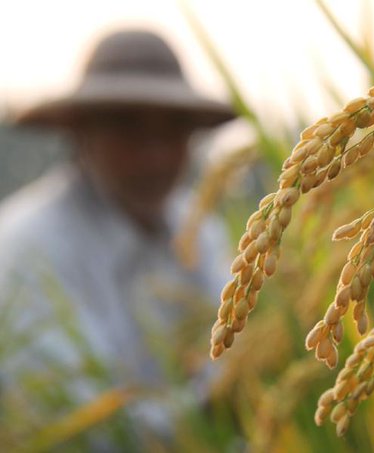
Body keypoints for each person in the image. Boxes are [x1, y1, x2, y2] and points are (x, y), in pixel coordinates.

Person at [0, 29, 235, 447]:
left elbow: (230, 355)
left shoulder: (201, 229)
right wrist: (217, 407)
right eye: (130, 130)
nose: (156, 155)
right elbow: (73, 421)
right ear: (81, 133)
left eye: (173, 131)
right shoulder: (26, 245)